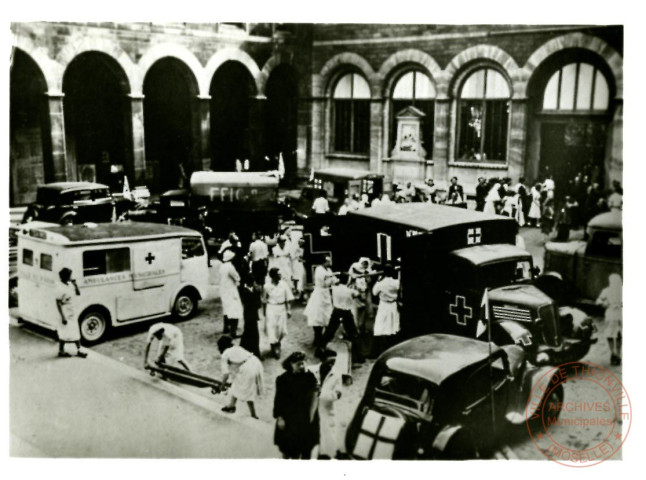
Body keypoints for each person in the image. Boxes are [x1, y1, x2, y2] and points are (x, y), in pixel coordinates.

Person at [273, 351, 320, 459]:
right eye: (298, 364)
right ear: (291, 364)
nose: (302, 366)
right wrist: (280, 418)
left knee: (306, 449)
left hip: (306, 418)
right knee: (289, 449)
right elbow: (278, 399)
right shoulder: (283, 379)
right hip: (290, 418)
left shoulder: (309, 377)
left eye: (303, 363)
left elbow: (316, 393)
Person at [318, 273, 364, 363]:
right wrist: (353, 283)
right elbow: (359, 294)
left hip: (336, 312)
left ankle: (319, 351)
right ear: (347, 280)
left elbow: (332, 283)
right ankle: (360, 356)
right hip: (346, 312)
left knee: (329, 332)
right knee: (353, 334)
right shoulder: (350, 291)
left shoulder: (335, 288)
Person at [218, 335, 264, 419]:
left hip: (248, 368)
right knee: (237, 383)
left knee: (246, 390)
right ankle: (231, 406)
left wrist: (222, 386)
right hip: (256, 362)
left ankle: (253, 415)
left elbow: (226, 374)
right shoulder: (236, 348)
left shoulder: (225, 354)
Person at [55, 267, 87, 358]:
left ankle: (79, 350)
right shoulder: (59, 286)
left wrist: (75, 285)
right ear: (65, 276)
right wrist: (63, 317)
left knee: (75, 331)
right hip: (64, 311)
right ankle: (62, 351)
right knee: (64, 332)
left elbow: (78, 293)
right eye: (69, 275)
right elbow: (58, 302)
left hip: (72, 310)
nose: (71, 277)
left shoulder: (70, 284)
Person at [304, 256, 335, 348]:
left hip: (326, 294)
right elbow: (324, 282)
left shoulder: (329, 269)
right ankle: (317, 337)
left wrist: (334, 280)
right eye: (328, 261)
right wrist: (331, 279)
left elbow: (332, 280)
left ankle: (323, 338)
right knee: (317, 315)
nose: (330, 263)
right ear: (324, 262)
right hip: (319, 294)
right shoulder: (319, 270)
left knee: (327, 316)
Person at [263, 267, 294, 359]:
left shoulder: (284, 285)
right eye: (278, 274)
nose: (280, 276)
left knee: (281, 329)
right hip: (271, 308)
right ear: (273, 276)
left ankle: (278, 343)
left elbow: (289, 298)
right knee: (271, 327)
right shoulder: (267, 286)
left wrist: (289, 310)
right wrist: (265, 312)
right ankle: (274, 347)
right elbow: (264, 300)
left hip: (281, 308)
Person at [371, 264, 400, 357]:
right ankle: (392, 348)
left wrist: (378, 280)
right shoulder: (396, 282)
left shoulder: (381, 283)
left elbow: (374, 293)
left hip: (384, 305)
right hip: (393, 305)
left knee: (380, 327)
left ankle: (379, 351)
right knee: (393, 326)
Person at [317, 354, 343, 459]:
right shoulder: (312, 370)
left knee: (329, 432)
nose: (332, 364)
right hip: (312, 406)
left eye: (334, 361)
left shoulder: (336, 374)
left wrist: (321, 394)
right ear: (323, 359)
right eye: (330, 361)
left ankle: (330, 454)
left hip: (327, 407)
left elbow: (338, 394)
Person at [597, 273, 622, 366]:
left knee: (610, 334)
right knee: (619, 335)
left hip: (611, 315)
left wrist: (604, 303)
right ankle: (618, 354)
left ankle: (613, 353)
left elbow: (598, 301)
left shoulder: (606, 291)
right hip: (621, 315)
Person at [220, 250, 244, 337]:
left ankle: (226, 327)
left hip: (223, 290)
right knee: (235, 310)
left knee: (226, 309)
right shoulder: (230, 267)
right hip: (231, 290)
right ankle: (233, 332)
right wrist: (238, 282)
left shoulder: (222, 266)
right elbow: (237, 277)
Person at [348, 257, 374, 335]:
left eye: (366, 264)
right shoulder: (354, 267)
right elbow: (351, 278)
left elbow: (369, 281)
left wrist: (366, 276)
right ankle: (355, 330)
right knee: (354, 312)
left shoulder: (368, 271)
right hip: (355, 295)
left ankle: (361, 327)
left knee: (363, 311)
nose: (364, 265)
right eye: (363, 263)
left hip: (364, 294)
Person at [239, 276, 262, 358]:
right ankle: (253, 352)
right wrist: (257, 294)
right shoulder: (245, 291)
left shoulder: (252, 290)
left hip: (252, 315)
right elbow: (253, 304)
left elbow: (259, 304)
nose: (255, 283)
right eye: (254, 282)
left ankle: (252, 351)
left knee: (251, 334)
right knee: (251, 334)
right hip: (249, 316)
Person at [290, 236, 307, 302]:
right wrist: (297, 256)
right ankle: (298, 292)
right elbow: (293, 257)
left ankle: (301, 293)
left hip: (301, 265)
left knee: (301, 279)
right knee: (296, 278)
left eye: (302, 242)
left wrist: (302, 259)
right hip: (296, 265)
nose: (300, 243)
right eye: (299, 242)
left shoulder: (304, 249)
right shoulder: (296, 248)